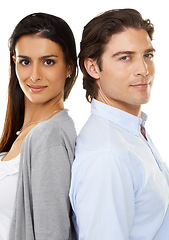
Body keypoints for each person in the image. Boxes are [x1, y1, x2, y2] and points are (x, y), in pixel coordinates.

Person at [70, 8, 169, 240]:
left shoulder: (131, 131)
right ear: (93, 67)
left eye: (147, 55)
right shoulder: (107, 155)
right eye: (125, 57)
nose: (144, 70)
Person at [0, 12, 77, 240]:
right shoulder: (26, 130)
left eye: (48, 62)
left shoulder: (49, 136)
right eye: (25, 62)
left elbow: (51, 234)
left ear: (69, 67)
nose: (34, 76)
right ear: (14, 63)